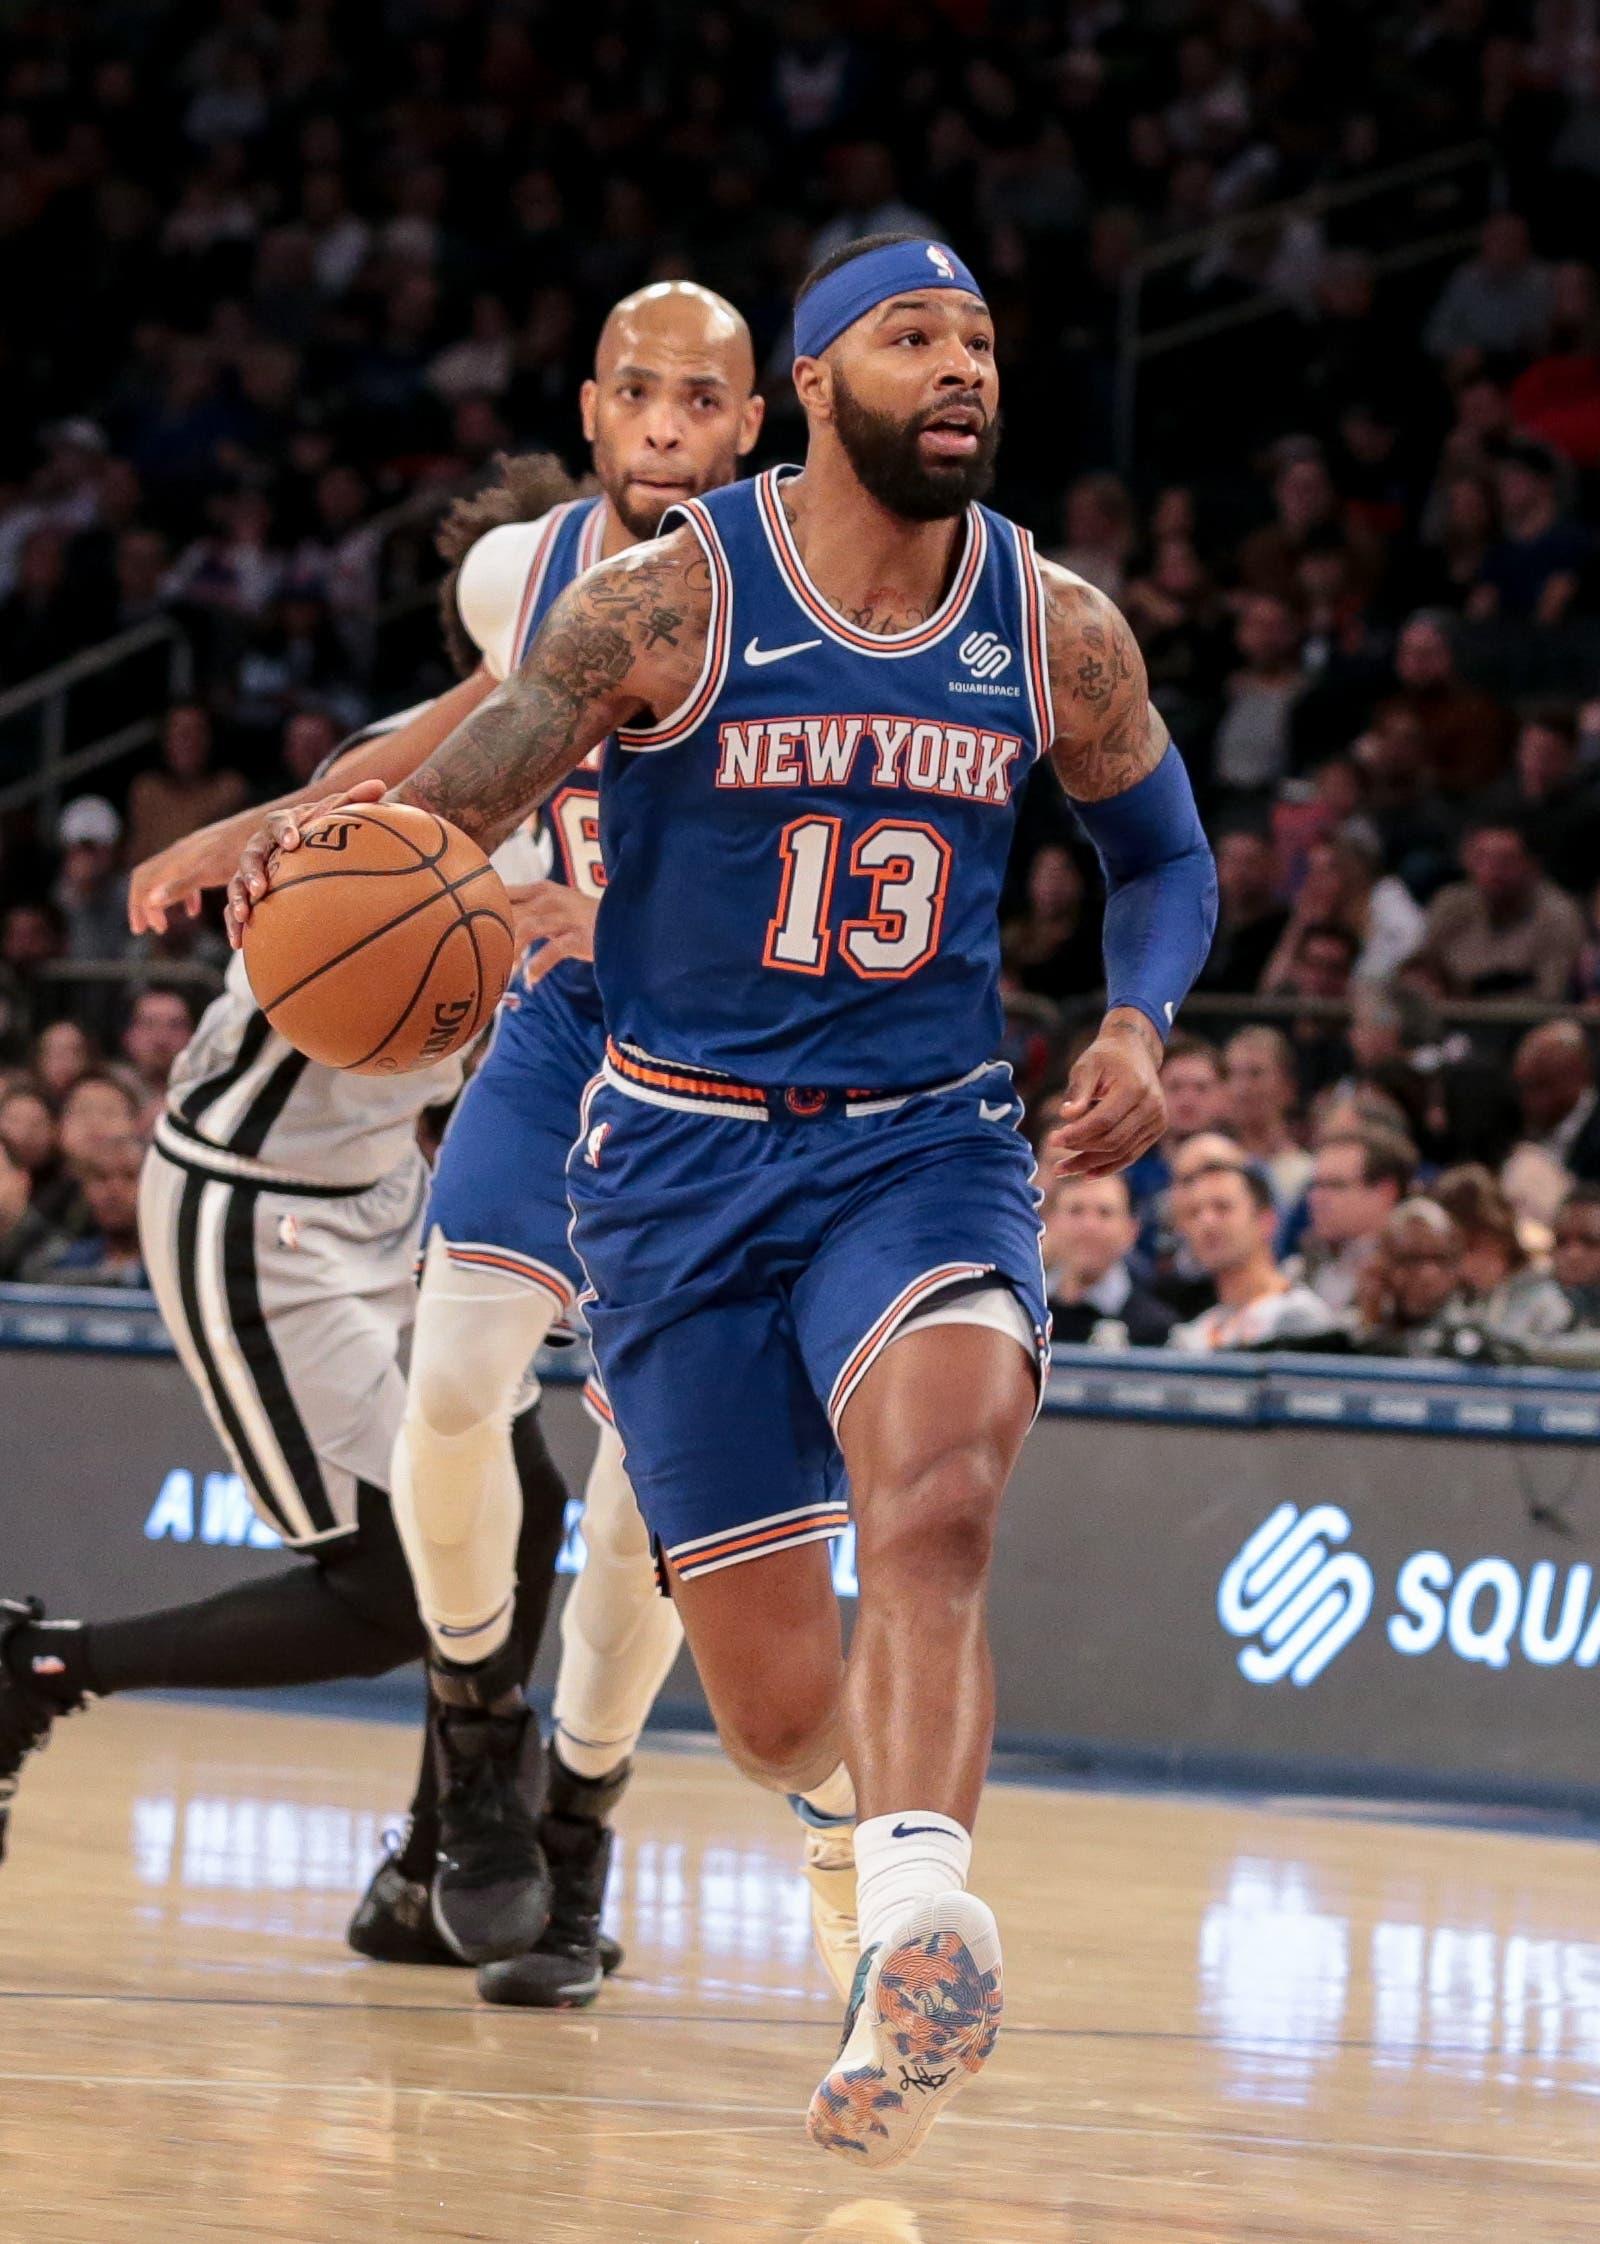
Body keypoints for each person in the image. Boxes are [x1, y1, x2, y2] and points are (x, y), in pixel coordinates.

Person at [232, 232, 1217, 2169]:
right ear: (823, 377)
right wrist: (316, 852)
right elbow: (479, 781)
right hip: (674, 1161)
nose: (962, 372)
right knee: (771, 1719)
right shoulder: (662, 606)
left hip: (921, 1139)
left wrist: (1131, 1020)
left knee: (934, 1502)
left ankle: (921, 1917)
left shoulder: (1050, 622)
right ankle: (838, 1837)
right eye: (914, 340)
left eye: (981, 343)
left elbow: (1158, 847)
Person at [0, 444, 647, 2011]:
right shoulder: (405, 781)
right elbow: (344, 866)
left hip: (380, 1204)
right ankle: (40, 1667)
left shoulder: (606, 793)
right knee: (387, 1580)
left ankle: (432, 1871)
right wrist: (273, 846)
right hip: (253, 1203)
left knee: (522, 1502)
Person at [1167, 1160, 1340, 1352]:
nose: (1207, 1222)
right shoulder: (1194, 1333)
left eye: (1222, 1207)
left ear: (1266, 1221)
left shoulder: (1299, 1316)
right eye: (1194, 1213)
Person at [1414, 823, 1585, 1001]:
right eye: (1481, 858)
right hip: (1449, 1017)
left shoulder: (1558, 915)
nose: (1492, 871)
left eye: (1505, 861)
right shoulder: (1451, 903)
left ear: (1532, 865)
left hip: (1522, 1022)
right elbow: (1420, 968)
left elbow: (1551, 995)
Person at [1430, 1163, 1571, 1346]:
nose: (1467, 1263)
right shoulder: (1445, 1299)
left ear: (1503, 1240)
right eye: (1455, 1251)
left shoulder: (1544, 1301)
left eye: (1475, 1246)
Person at [1042, 1173, 1175, 1347]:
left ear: (1131, 1230)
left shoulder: (1157, 1330)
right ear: (1050, 1222)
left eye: (1105, 1213)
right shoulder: (1021, 1313)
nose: (1089, 1226)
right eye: (1076, 1210)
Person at [1301, 1125, 1417, 1315]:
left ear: (1385, 1192)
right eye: (1315, 1185)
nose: (1316, 1198)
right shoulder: (1303, 1267)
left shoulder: (1416, 1271)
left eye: (1334, 1185)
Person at [123, 704, 248, 869]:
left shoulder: (229, 789)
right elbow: (136, 857)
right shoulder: (146, 790)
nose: (188, 742)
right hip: (154, 885)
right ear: (165, 739)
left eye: (196, 732)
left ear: (211, 738)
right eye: (179, 733)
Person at [1352, 1197, 1466, 1356]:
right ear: (1382, 1265)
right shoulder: (1350, 1334)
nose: (1428, 1274)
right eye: (1412, 1259)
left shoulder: (1471, 1346)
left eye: (1440, 1259)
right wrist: (1371, 1316)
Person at [1220, 1026, 1312, 1208]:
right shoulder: (1209, 1165)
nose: (1242, 1088)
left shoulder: (1309, 1175)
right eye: (1233, 1074)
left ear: (1287, 1086)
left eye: (1255, 1073)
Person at [1197, 828, 1287, 994]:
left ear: (1271, 866)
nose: (1240, 872)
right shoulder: (1198, 921)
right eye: (1231, 861)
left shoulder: (1284, 926)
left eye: (1250, 861)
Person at [1511, 1020, 1600, 1182]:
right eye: (1524, 1087)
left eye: (1541, 1085)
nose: (1528, 1101)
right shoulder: (1513, 1126)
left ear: (1576, 1075)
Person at [120, 984, 198, 1099]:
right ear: (127, 1035)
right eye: (148, 1024)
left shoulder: (210, 1091)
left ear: (193, 1036)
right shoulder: (103, 1088)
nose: (161, 1038)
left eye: (175, 1026)